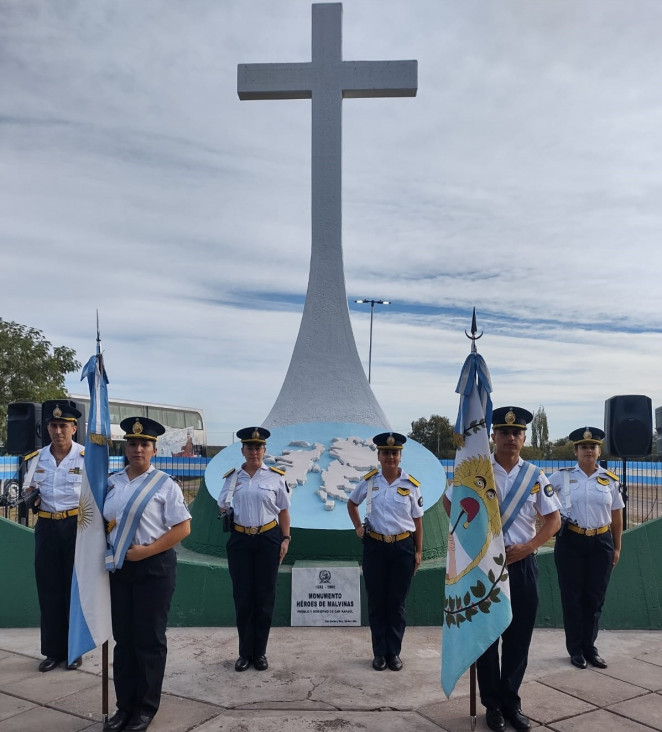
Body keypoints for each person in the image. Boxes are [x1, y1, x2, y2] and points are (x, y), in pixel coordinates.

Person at [444, 406, 561, 732]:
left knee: (518, 639)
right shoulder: (477, 471)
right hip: (485, 570)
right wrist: (470, 538)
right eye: (504, 432)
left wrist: (529, 546)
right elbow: (448, 500)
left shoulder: (535, 476)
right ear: (492, 436)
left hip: (522, 566)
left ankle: (511, 702)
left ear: (523, 438)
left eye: (517, 432)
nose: (511, 437)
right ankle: (492, 705)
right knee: (486, 640)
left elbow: (554, 520)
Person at [103, 417, 191, 732]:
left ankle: (144, 708)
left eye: (144, 444)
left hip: (154, 568)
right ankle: (124, 707)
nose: (137, 449)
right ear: (125, 447)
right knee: (124, 640)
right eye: (132, 443)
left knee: (149, 640)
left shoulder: (165, 484)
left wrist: (146, 551)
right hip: (121, 568)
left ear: (154, 450)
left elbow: (183, 528)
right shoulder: (112, 482)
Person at [347, 432, 423, 672]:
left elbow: (418, 521)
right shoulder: (370, 482)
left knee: (397, 603)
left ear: (400, 456)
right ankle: (379, 653)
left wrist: (418, 551)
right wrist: (358, 527)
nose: (390, 457)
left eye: (395, 453)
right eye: (386, 453)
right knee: (377, 602)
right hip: (375, 547)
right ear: (378, 455)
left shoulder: (411, 485)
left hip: (403, 547)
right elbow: (352, 503)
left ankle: (394, 653)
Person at [549, 427, 624, 670]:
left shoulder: (610, 480)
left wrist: (616, 547)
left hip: (601, 542)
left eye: (593, 447)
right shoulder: (562, 477)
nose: (588, 450)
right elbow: (540, 499)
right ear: (575, 451)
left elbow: (616, 514)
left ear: (599, 450)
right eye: (583, 447)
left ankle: (590, 647)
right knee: (572, 597)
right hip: (571, 541)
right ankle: (576, 650)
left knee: (595, 597)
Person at [217, 426, 291, 672]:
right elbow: (223, 506)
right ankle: (244, 653)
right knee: (243, 597)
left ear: (264, 450)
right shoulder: (232, 478)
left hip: (268, 539)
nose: (254, 451)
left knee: (264, 597)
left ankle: (259, 653)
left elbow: (283, 510)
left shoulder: (276, 477)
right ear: (243, 450)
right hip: (240, 541)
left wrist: (286, 538)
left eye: (258, 447)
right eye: (249, 447)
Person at [23, 400, 85, 672]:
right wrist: (30, 498)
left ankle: (74, 650)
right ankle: (52, 651)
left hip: (75, 527)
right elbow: (28, 490)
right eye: (53, 425)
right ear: (47, 427)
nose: (58, 431)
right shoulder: (36, 458)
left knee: (75, 590)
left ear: (74, 428)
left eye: (63, 425)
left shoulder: (87, 457)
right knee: (49, 589)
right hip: (47, 527)